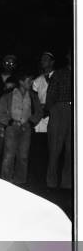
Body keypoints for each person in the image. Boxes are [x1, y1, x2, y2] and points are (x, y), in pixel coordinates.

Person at [0, 70, 42, 185]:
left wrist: (31, 123)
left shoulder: (33, 96)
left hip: (26, 129)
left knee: (23, 156)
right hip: (11, 129)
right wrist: (10, 121)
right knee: (8, 156)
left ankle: (20, 182)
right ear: (21, 82)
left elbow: (39, 112)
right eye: (29, 80)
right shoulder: (9, 95)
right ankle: (6, 182)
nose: (31, 82)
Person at [45, 50, 73, 189]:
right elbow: (50, 94)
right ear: (68, 58)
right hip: (60, 109)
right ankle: (51, 182)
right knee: (55, 147)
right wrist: (52, 110)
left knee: (72, 150)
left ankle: (68, 183)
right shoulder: (60, 73)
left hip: (76, 111)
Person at [29, 52, 55, 183]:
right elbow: (33, 99)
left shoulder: (58, 77)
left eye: (46, 59)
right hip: (40, 117)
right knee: (39, 146)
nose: (43, 61)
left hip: (54, 116)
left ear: (52, 62)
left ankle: (50, 177)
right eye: (42, 59)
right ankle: (38, 178)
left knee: (52, 148)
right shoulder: (37, 80)